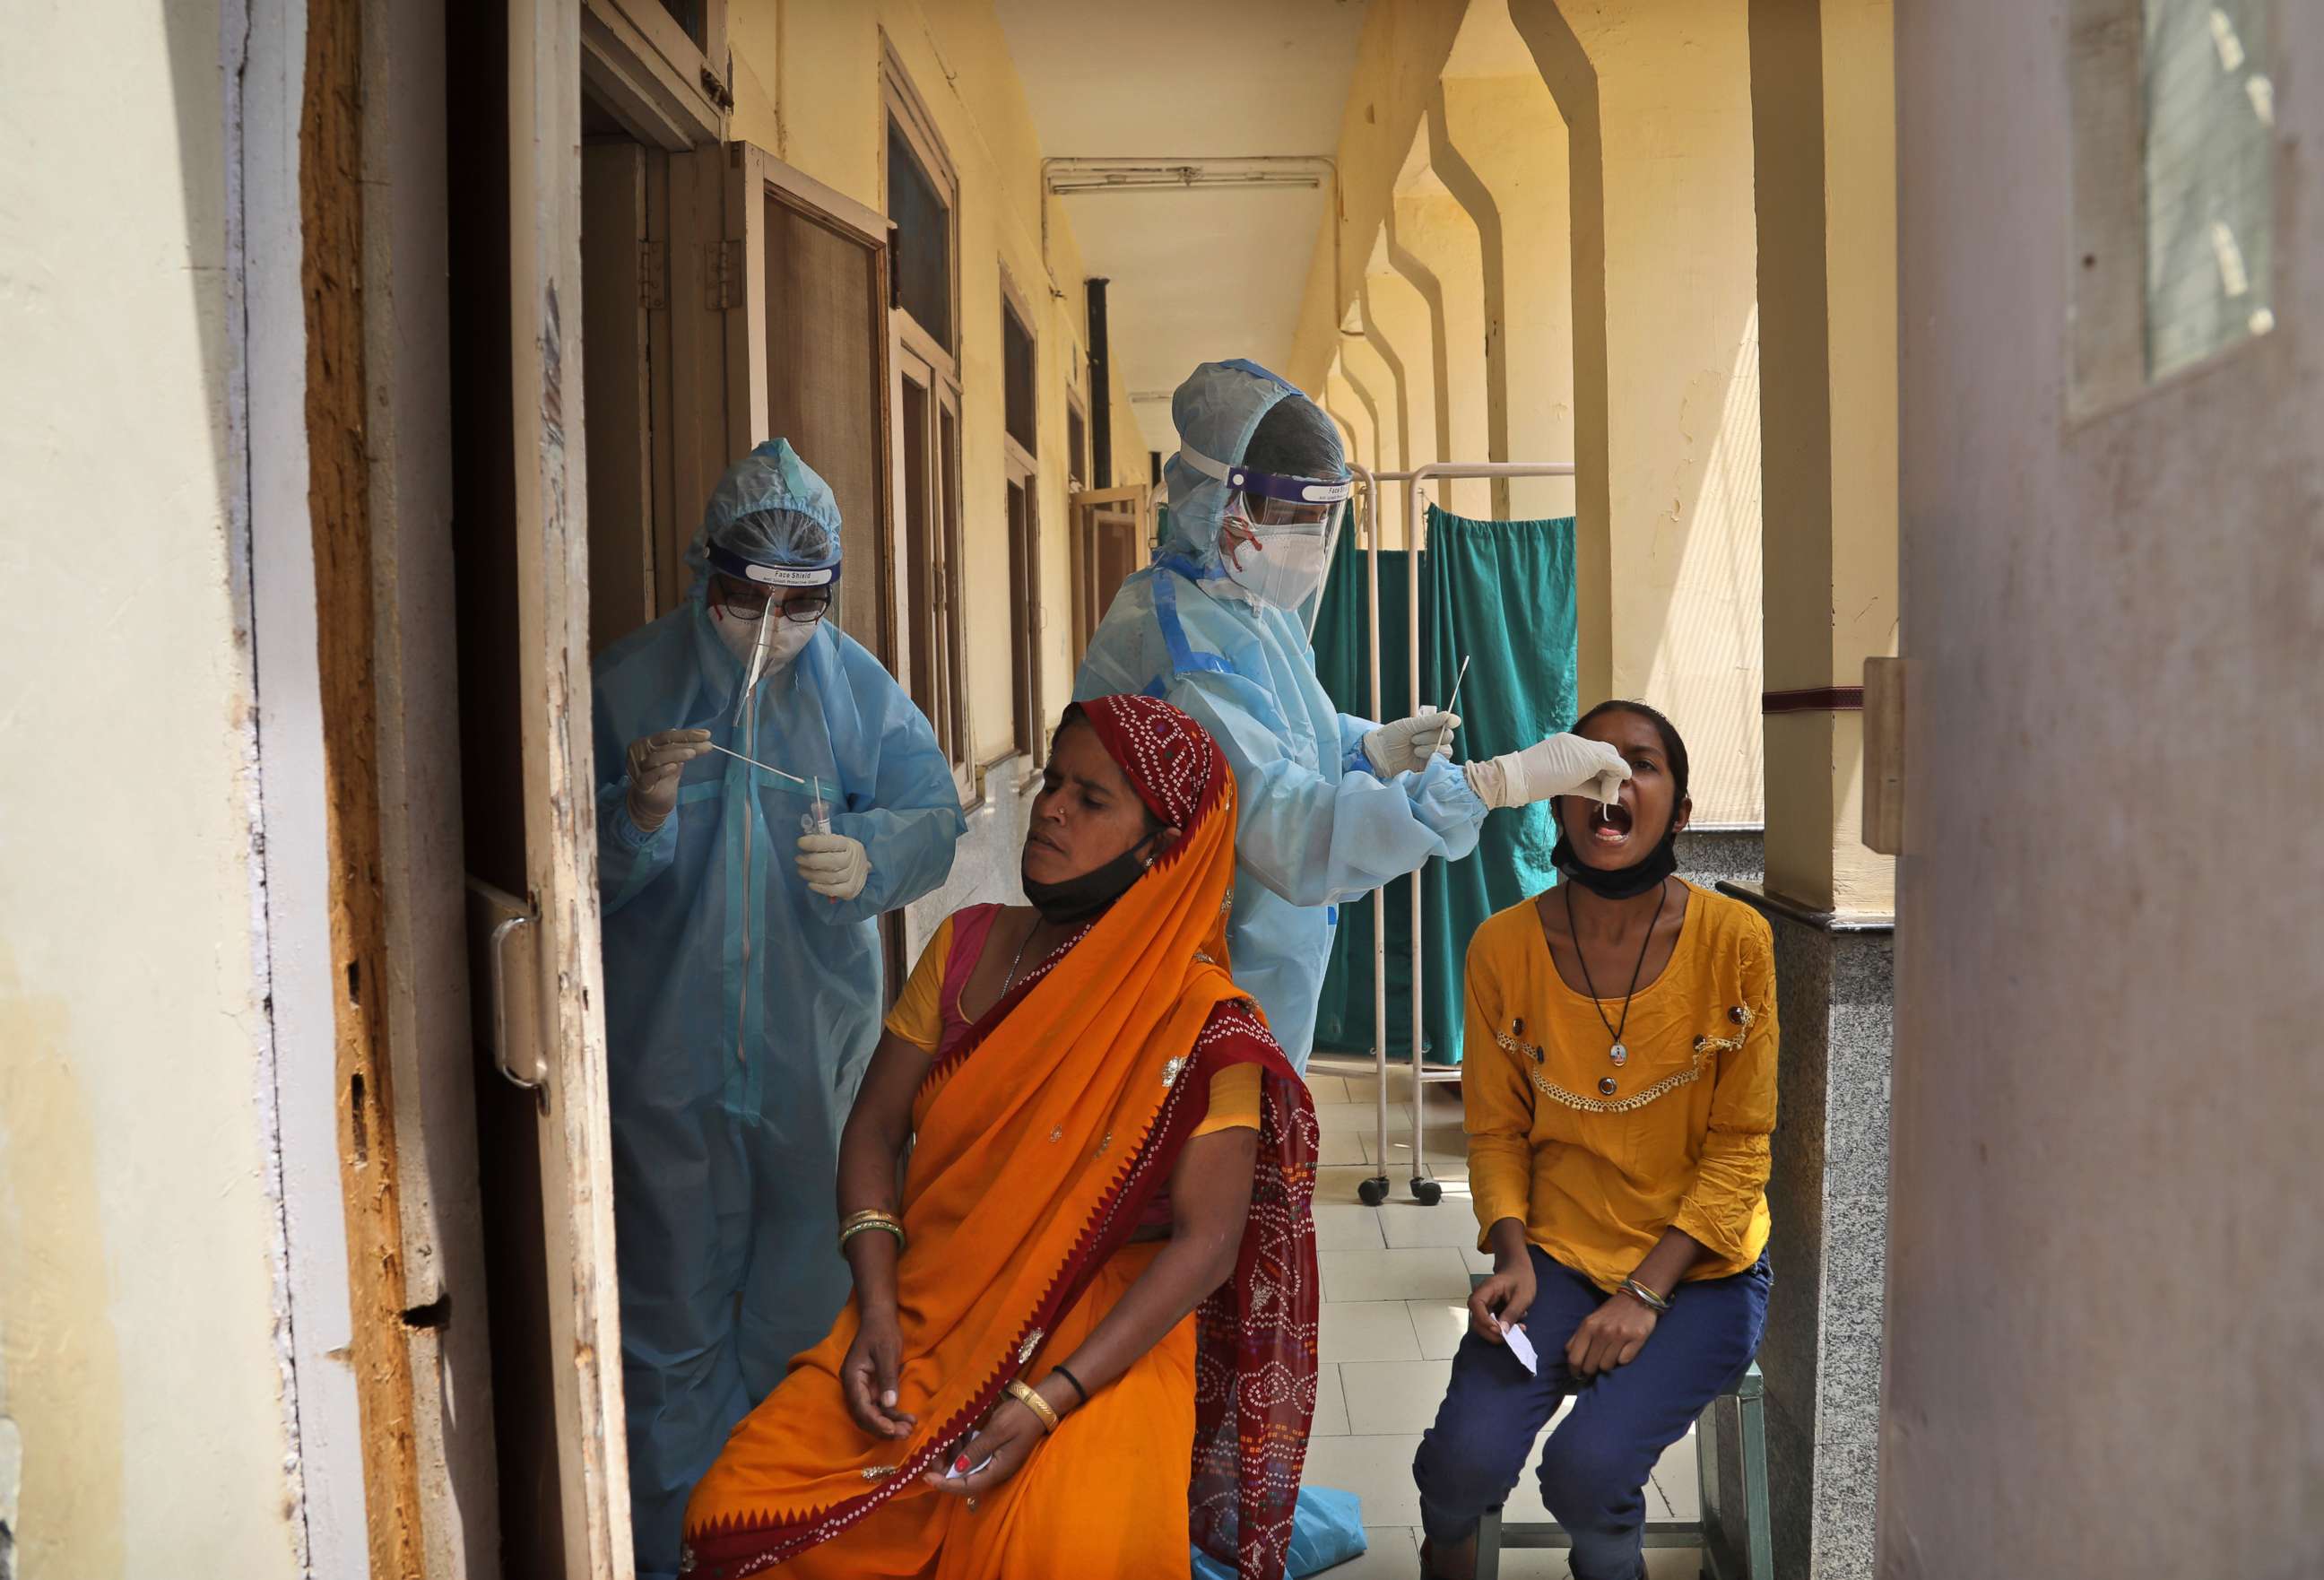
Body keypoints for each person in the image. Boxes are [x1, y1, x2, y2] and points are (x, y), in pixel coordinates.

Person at [679, 696, 1319, 1580]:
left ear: (1163, 852)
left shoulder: (1206, 1024)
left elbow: (1207, 1246)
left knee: (1054, 1551)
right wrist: (872, 1304)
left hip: (1108, 1331)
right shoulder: (966, 946)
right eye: (1054, 781)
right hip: (930, 1304)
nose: (1050, 806)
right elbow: (871, 1130)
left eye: (1092, 800)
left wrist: (1051, 1399)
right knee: (731, 1517)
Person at [593, 438, 967, 1580]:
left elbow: (933, 814)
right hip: (669, 1067)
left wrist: (870, 855)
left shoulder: (855, 687)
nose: (772, 624)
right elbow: (569, 867)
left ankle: (797, 1551)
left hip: (820, 1062)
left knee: (813, 1325)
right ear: (707, 574)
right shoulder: (628, 686)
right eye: (748, 597)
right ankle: (676, 1554)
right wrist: (637, 810)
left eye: (801, 604)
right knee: (669, 1337)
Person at [1074, 358, 1632, 1072]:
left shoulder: (1240, 606)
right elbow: (1292, 833)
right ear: (1219, 501)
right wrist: (1490, 785)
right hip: (1184, 992)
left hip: (1245, 982)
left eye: (1320, 517)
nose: (1307, 538)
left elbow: (1285, 736)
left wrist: (1369, 749)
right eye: (1291, 516)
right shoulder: (1180, 644)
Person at [1410, 700, 1777, 1580]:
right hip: (1558, 1257)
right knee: (1459, 1462)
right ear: (1557, 796)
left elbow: (1741, 1149)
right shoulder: (1503, 947)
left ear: (1679, 812)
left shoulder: (1737, 942)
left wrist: (1646, 1294)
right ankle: (1446, 1544)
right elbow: (1496, 1130)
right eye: (1593, 765)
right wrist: (1512, 1251)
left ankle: (1610, 1558)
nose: (1613, 784)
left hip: (1701, 1271)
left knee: (1590, 1471)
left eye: (1642, 766)